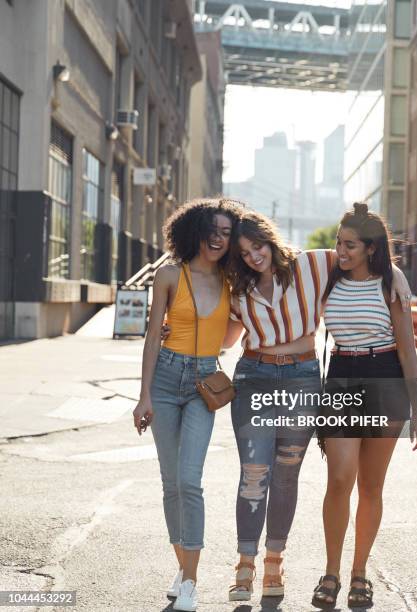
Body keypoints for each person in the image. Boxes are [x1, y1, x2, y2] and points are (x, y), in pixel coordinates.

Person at [223, 209, 413, 602]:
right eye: (244, 252)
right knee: (299, 477)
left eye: (257, 245)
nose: (253, 255)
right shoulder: (247, 287)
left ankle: (338, 570)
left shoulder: (315, 264)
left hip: (348, 377)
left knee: (339, 481)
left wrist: (397, 274)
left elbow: (367, 258)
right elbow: (224, 335)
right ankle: (286, 568)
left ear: (270, 240)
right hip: (300, 375)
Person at [311, 202, 417, 610]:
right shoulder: (327, 275)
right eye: (338, 243)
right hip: (342, 375)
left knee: (371, 485)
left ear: (371, 249)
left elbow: (409, 349)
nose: (340, 251)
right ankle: (331, 571)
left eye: (349, 245)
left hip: (386, 376)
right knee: (339, 480)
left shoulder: (390, 282)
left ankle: (360, 571)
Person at [132, 198, 241, 612]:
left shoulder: (233, 282)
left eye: (226, 232)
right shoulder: (168, 275)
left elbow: (227, 341)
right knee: (170, 481)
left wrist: (243, 316)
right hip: (164, 378)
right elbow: (151, 338)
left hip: (203, 385)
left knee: (190, 480)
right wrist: (143, 394)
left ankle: (191, 581)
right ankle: (182, 567)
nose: (217, 238)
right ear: (194, 231)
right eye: (211, 230)